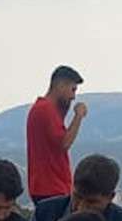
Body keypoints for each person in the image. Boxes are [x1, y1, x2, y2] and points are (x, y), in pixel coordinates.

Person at [26, 65, 87, 204]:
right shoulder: (46, 110)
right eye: (72, 89)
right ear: (61, 85)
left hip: (44, 186)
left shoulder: (42, 109)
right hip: (52, 187)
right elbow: (64, 143)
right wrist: (78, 116)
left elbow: (55, 134)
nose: (73, 97)